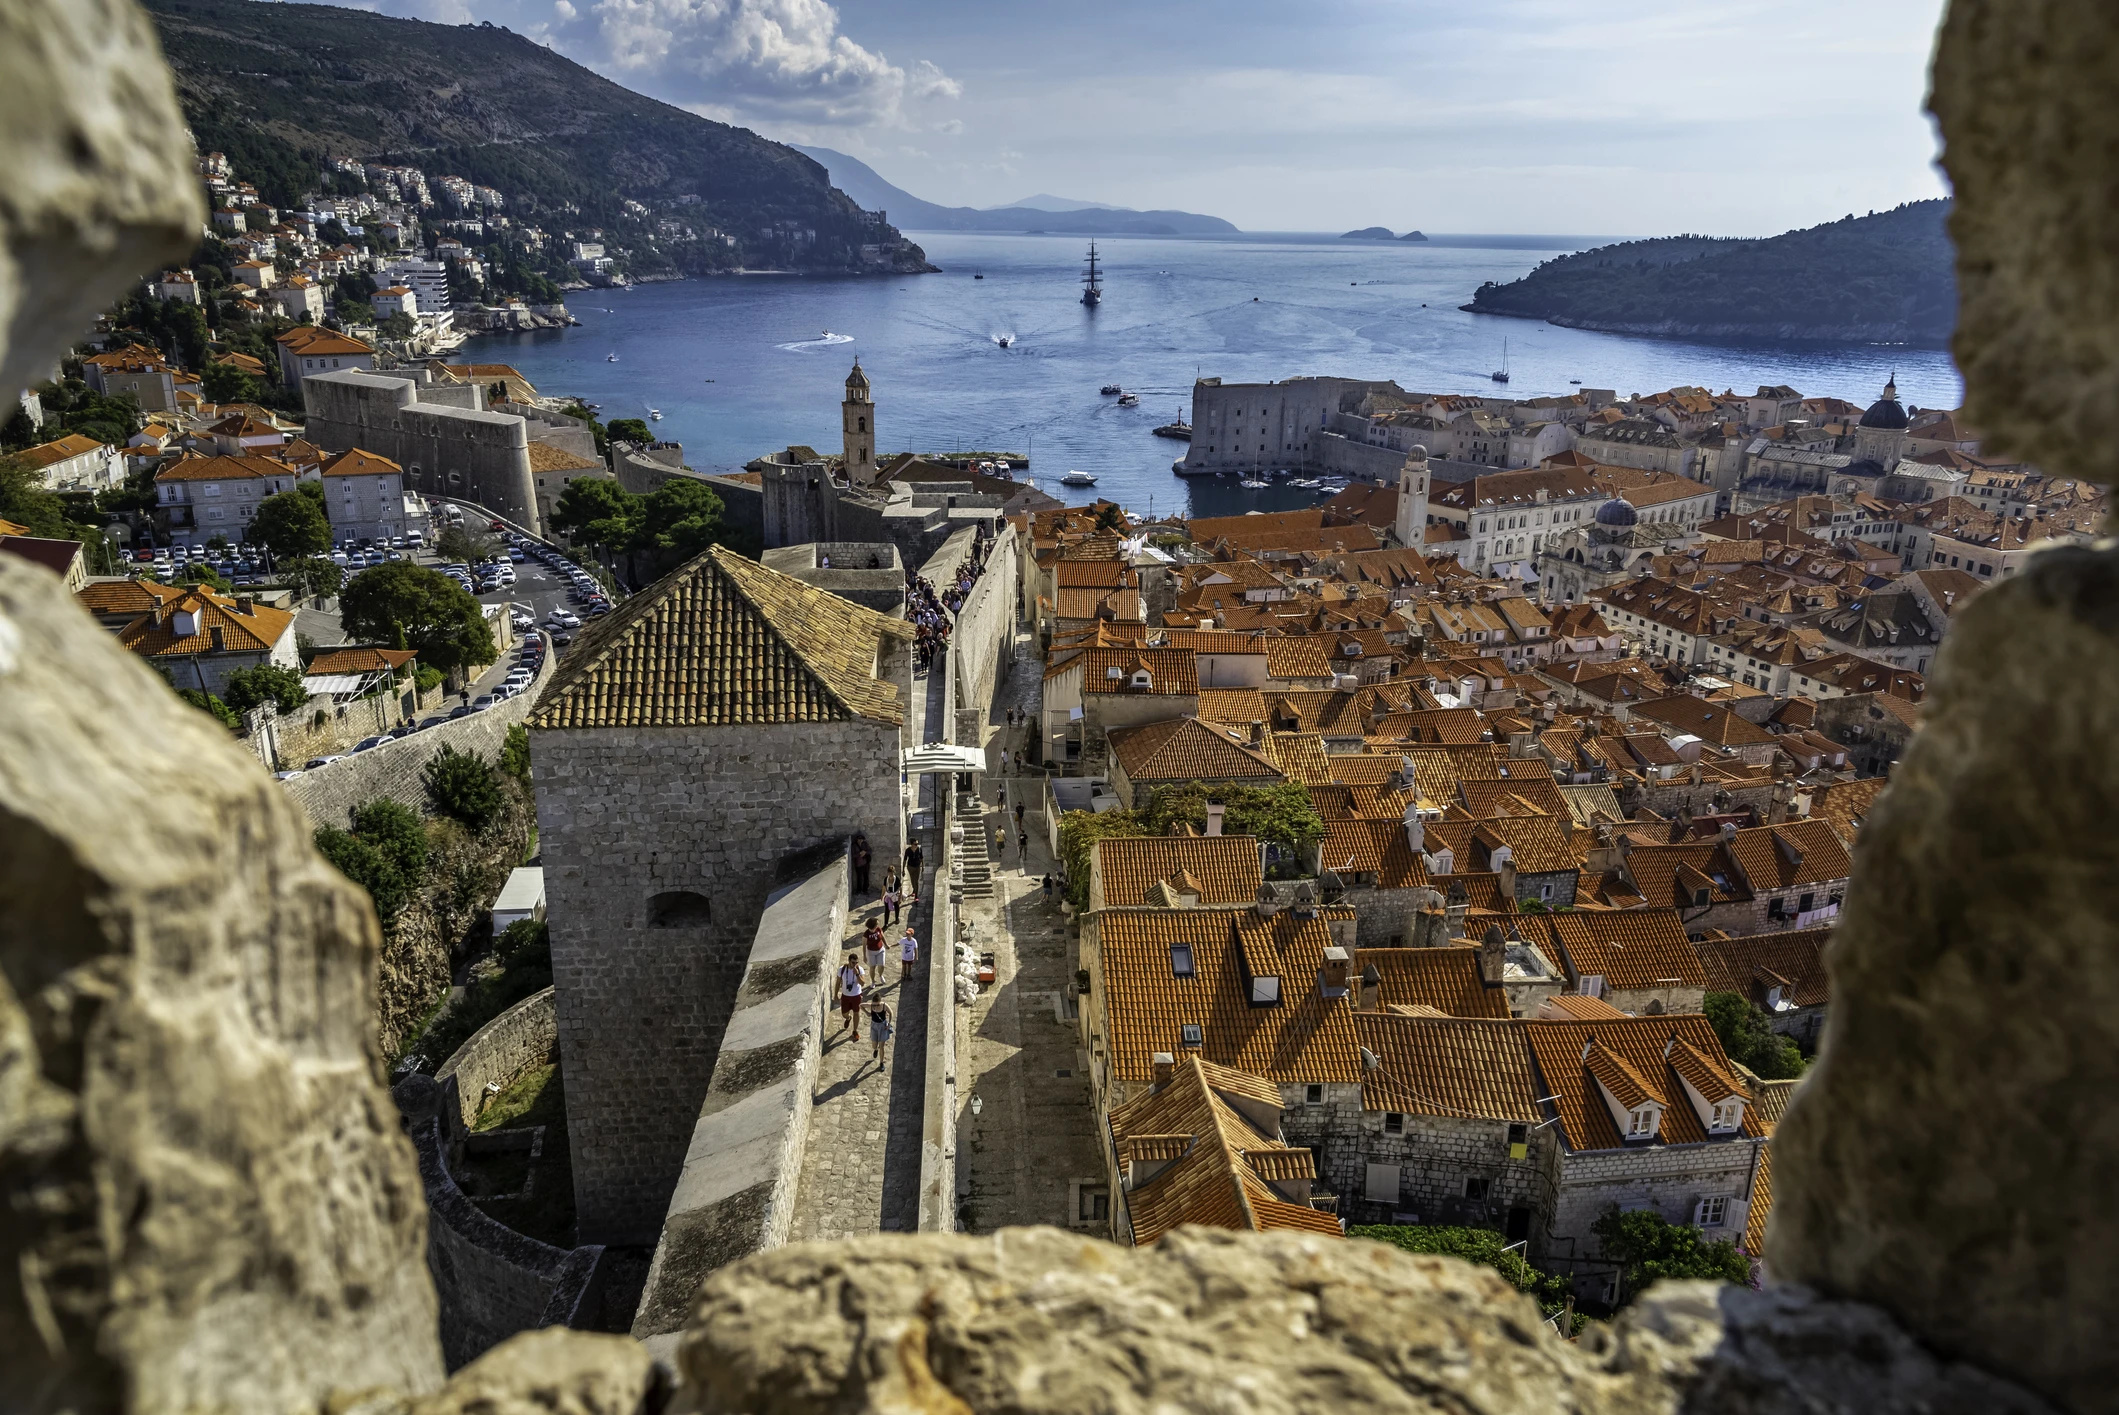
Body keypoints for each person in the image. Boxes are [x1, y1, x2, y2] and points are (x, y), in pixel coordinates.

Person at [836, 952, 864, 1036]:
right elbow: (838, 982)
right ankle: (848, 1018)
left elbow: (862, 983)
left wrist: (857, 974)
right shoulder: (842, 969)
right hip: (845, 996)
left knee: (856, 1012)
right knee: (844, 1014)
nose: (854, 964)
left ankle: (855, 1030)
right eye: (853, 962)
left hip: (856, 995)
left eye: (856, 962)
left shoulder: (859, 969)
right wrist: (835, 994)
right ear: (849, 961)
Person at [867, 999, 893, 1065]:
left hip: (882, 1027)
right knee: (874, 1045)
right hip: (874, 1027)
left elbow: (890, 1012)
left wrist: (889, 1024)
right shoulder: (871, 1006)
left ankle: (881, 1062)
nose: (876, 1005)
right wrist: (867, 1013)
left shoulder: (884, 1005)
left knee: (882, 1046)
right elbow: (861, 1005)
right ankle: (875, 1049)